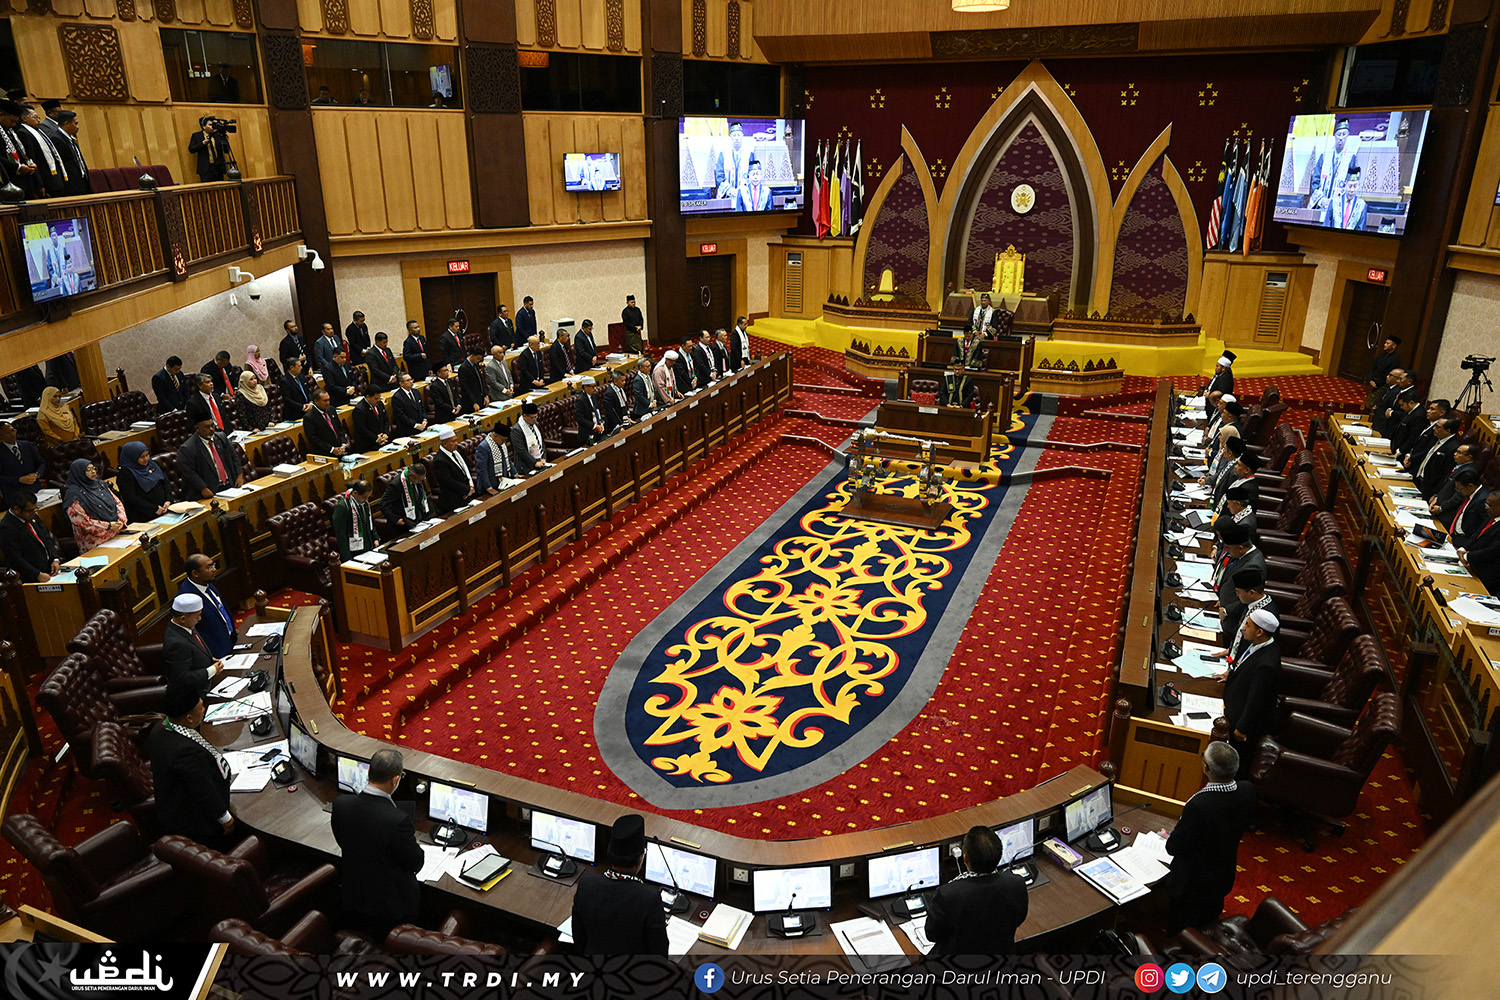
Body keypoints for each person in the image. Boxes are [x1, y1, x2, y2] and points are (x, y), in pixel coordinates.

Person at [1163, 741, 1257, 934]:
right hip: (1221, 876)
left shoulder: (1199, 805)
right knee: (1209, 920)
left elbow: (1174, 847)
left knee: (1182, 932)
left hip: (1190, 884)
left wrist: (1170, 837)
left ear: (1206, 767)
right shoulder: (1247, 790)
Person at [330, 748, 423, 935]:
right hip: (392, 909)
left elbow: (342, 840)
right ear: (395, 780)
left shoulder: (341, 805)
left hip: (353, 897)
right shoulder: (397, 819)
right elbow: (416, 862)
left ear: (369, 773)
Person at [149, 686, 237, 848]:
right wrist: (226, 820)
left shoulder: (161, 728)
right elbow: (203, 790)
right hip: (198, 827)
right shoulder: (185, 752)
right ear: (189, 718)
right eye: (201, 707)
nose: (204, 709)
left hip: (175, 805)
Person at [570, 814, 668, 954]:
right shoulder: (649, 899)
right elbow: (660, 954)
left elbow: (579, 939)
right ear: (640, 860)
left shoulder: (587, 884)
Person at [924, 825, 1029, 954]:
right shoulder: (1016, 883)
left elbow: (932, 934)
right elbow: (1019, 918)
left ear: (965, 858)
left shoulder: (948, 894)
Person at [1222, 608, 1281, 773]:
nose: (1243, 628)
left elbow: (1257, 700)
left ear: (1259, 632)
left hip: (1242, 728)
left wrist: (1241, 728)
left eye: (1247, 625)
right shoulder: (1257, 644)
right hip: (1232, 705)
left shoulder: (1266, 665)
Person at [161, 592, 224, 700]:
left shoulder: (185, 625)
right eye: (197, 616)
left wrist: (208, 659)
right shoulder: (176, 643)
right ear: (183, 618)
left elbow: (195, 649)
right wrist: (212, 670)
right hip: (197, 695)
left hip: (208, 681)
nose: (200, 619)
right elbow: (183, 679)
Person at [1214, 523, 1266, 643]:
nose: (1226, 550)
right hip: (1222, 606)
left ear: (1240, 548)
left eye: (1228, 548)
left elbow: (1251, 597)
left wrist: (1228, 610)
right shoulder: (1242, 555)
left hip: (1230, 621)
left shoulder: (1254, 565)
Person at [179, 553, 237, 657]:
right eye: (209, 567)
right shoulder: (187, 598)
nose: (214, 569)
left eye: (213, 565)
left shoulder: (206, 584)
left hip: (229, 643)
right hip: (215, 654)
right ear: (195, 573)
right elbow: (191, 633)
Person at [62, 459, 126, 552]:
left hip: (116, 532)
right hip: (94, 542)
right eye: (88, 470)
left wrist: (120, 520)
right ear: (79, 473)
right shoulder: (73, 495)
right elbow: (83, 522)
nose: (93, 471)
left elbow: (117, 503)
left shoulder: (100, 484)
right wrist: (108, 526)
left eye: (94, 468)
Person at [0, 493, 60, 583]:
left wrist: (55, 559)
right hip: (30, 578)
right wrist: (37, 574)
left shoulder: (31, 516)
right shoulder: (6, 527)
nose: (34, 513)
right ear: (17, 509)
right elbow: (15, 558)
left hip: (49, 571)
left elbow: (46, 537)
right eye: (30, 511)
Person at [178, 418, 243, 499]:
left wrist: (239, 474)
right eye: (207, 427)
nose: (211, 429)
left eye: (212, 426)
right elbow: (189, 472)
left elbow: (234, 456)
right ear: (198, 429)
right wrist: (203, 488)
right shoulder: (188, 448)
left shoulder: (221, 437)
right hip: (209, 491)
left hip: (229, 486)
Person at [115, 441, 172, 523]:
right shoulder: (125, 474)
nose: (146, 459)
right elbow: (131, 498)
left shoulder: (152, 464)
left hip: (164, 510)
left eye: (147, 455)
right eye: (142, 457)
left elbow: (165, 481)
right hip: (142, 516)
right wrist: (154, 509)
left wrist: (168, 500)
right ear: (132, 457)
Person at [1459, 491, 1500, 593]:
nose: (1486, 507)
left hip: (1487, 573)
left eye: (1490, 505)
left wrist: (1467, 556)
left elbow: (1491, 551)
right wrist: (1463, 548)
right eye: (1486, 504)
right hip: (1473, 563)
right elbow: (1476, 535)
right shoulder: (1490, 517)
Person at [431, 426, 475, 515]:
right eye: (453, 441)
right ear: (445, 443)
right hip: (452, 501)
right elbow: (448, 481)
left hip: (463, 496)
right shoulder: (440, 460)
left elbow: (464, 470)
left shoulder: (456, 452)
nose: (456, 443)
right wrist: (467, 489)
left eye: (456, 440)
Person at [1430, 443, 1477, 524]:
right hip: (1438, 507)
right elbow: (1445, 485)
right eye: (1456, 451)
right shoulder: (1459, 466)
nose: (1455, 454)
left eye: (1459, 452)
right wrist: (1436, 497)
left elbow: (1459, 496)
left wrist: (1442, 508)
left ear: (1469, 457)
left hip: (1446, 515)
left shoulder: (1468, 472)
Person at [1415, 418, 1461, 496]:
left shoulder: (1453, 448)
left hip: (1430, 489)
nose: (1434, 428)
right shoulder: (1438, 438)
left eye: (1438, 427)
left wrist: (1436, 494)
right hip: (1421, 480)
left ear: (1447, 431)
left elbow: (1446, 474)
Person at [332, 480, 377, 560]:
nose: (366, 500)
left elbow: (369, 522)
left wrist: (375, 537)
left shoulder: (364, 503)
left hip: (368, 547)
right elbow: (341, 535)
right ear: (355, 493)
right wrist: (347, 558)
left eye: (368, 497)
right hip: (354, 552)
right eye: (364, 497)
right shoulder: (343, 507)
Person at [381, 463, 430, 534]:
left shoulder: (417, 480)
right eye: (418, 480)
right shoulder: (396, 485)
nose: (420, 482)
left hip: (419, 522)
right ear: (411, 475)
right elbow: (382, 504)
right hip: (404, 525)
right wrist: (395, 519)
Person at [0, 420, 45, 495]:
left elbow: (41, 462)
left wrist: (37, 474)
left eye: (13, 431)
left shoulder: (26, 445)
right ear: (0, 435)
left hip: (35, 487)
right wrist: (19, 480)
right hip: (15, 492)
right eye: (8, 433)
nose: (12, 434)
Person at [1446, 468, 1489, 545]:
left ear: (1470, 486)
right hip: (1453, 534)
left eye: (1460, 488)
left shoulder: (1483, 500)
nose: (1459, 491)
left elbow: (1484, 527)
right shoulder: (1470, 493)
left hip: (1464, 541)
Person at [51, 110, 89, 196]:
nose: (78, 127)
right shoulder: (57, 139)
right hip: (71, 186)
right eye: (75, 123)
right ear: (67, 123)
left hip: (82, 183)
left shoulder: (70, 139)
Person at [304, 390, 349, 458]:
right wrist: (331, 449)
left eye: (328, 400)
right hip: (325, 454)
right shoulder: (309, 417)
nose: (328, 403)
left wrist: (343, 444)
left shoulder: (331, 409)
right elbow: (313, 439)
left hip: (340, 450)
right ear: (316, 401)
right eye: (325, 401)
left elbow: (340, 428)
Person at [510, 401, 551, 476]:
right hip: (525, 467)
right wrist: (534, 463)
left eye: (536, 417)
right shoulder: (516, 430)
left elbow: (541, 442)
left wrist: (544, 457)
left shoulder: (535, 424)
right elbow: (521, 450)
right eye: (533, 417)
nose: (535, 419)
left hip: (540, 463)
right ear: (524, 416)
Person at [1324, 165, 1369, 232]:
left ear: (1358, 186)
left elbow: (1361, 229)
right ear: (1345, 185)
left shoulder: (1362, 205)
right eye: (1350, 186)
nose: (1352, 190)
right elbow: (1326, 225)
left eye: (1355, 186)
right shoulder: (1334, 202)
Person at [475, 427, 518, 495]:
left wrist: (515, 474)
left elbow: (508, 460)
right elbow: (482, 470)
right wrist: (489, 488)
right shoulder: (483, 447)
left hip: (504, 482)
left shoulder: (501, 444)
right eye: (503, 440)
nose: (504, 442)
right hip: (490, 485)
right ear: (495, 436)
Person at [715, 121, 752, 198]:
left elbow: (751, 175)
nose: (736, 138)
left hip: (744, 194)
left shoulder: (749, 154)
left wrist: (741, 190)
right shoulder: (724, 154)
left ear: (742, 136)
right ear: (730, 137)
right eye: (734, 135)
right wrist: (730, 190)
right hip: (727, 193)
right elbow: (719, 175)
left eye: (738, 135)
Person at [188, 116, 230, 182]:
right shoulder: (197, 136)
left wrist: (225, 141)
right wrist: (203, 143)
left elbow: (226, 151)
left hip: (218, 168)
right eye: (210, 125)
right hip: (206, 169)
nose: (213, 127)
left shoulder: (217, 135)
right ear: (203, 126)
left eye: (213, 124)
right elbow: (191, 149)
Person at [1365, 335, 1402, 408]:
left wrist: (1377, 383)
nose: (1385, 345)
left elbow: (1389, 374)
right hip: (1373, 381)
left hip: (1383, 384)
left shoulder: (1396, 359)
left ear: (1394, 346)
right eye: (1385, 343)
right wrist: (1371, 380)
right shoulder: (1381, 356)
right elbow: (1373, 368)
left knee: (1373, 403)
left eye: (1388, 343)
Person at [353, 385, 392, 452]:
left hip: (383, 441)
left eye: (379, 398)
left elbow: (385, 420)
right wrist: (376, 438)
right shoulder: (359, 410)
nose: (378, 400)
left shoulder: (380, 404)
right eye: (376, 398)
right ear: (368, 397)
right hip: (368, 444)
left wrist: (385, 433)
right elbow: (362, 429)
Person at [391, 373, 429, 437]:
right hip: (408, 430)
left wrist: (424, 419)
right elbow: (401, 416)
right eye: (408, 380)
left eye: (411, 379)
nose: (411, 382)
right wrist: (415, 425)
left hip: (421, 427)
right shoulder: (397, 397)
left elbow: (422, 407)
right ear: (401, 383)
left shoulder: (416, 392)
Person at [279, 356, 315, 420]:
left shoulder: (301, 376)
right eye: (299, 366)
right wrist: (302, 407)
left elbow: (308, 391)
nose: (301, 368)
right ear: (292, 368)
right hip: (295, 413)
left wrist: (310, 403)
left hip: (308, 409)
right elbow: (288, 400)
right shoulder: (284, 381)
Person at [457, 345, 489, 414]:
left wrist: (486, 395)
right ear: (472, 356)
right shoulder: (463, 368)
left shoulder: (476, 364)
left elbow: (481, 381)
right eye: (477, 358)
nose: (479, 360)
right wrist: (474, 402)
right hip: (470, 402)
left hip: (480, 399)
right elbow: (465, 388)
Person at [575, 382, 606, 447]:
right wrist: (594, 426)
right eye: (593, 387)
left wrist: (601, 422)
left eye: (595, 386)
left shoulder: (594, 396)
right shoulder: (580, 400)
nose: (595, 388)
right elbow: (579, 418)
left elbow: (597, 411)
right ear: (586, 387)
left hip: (598, 432)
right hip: (588, 435)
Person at [603, 369, 633, 433]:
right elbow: (610, 412)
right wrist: (618, 427)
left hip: (623, 421)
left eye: (624, 380)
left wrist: (628, 419)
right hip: (614, 425)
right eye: (622, 381)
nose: (624, 382)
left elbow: (625, 405)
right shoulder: (609, 393)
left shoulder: (621, 389)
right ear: (615, 381)